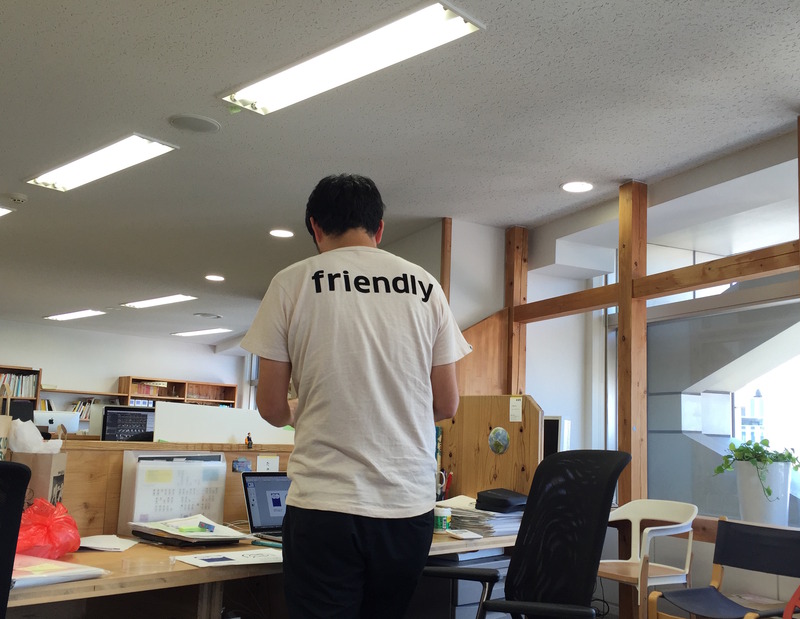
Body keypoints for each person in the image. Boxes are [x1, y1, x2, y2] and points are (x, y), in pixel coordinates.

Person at [240, 173, 471, 618]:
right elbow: (446, 404)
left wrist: (298, 410)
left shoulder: (291, 283)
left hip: (324, 503)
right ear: (379, 228)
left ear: (314, 227)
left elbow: (270, 407)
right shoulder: (426, 286)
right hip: (407, 507)